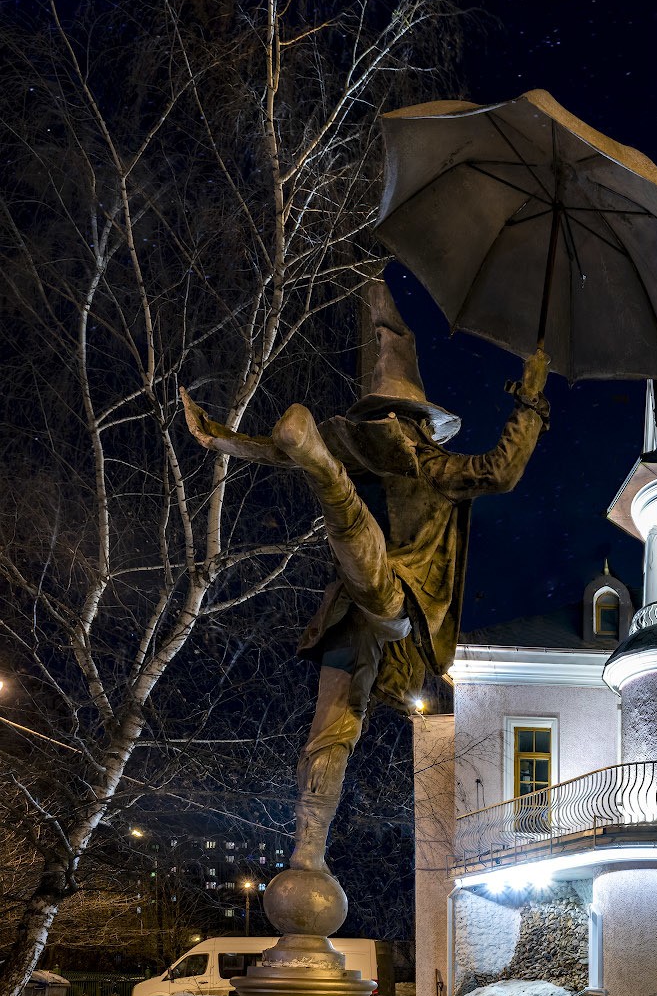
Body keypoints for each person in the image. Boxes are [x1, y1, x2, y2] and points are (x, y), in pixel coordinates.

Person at [181, 279, 549, 873]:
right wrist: (530, 397)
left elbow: (275, 451)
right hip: (395, 605)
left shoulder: (361, 448)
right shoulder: (429, 461)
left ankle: (308, 851)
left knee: (333, 728)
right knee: (371, 567)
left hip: (345, 616)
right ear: (422, 419)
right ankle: (325, 474)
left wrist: (223, 439)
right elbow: (501, 471)